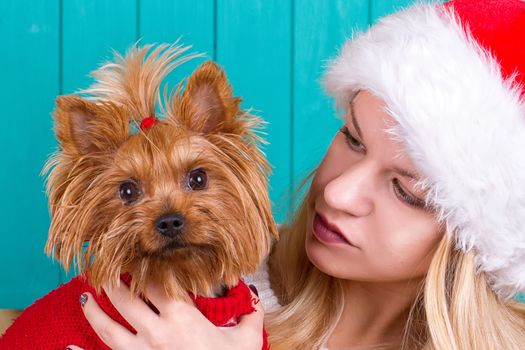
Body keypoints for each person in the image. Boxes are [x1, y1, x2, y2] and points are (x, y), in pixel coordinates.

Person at [67, 0, 525, 349]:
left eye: (405, 191)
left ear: (475, 240)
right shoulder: (206, 284)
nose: (340, 191)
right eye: (352, 139)